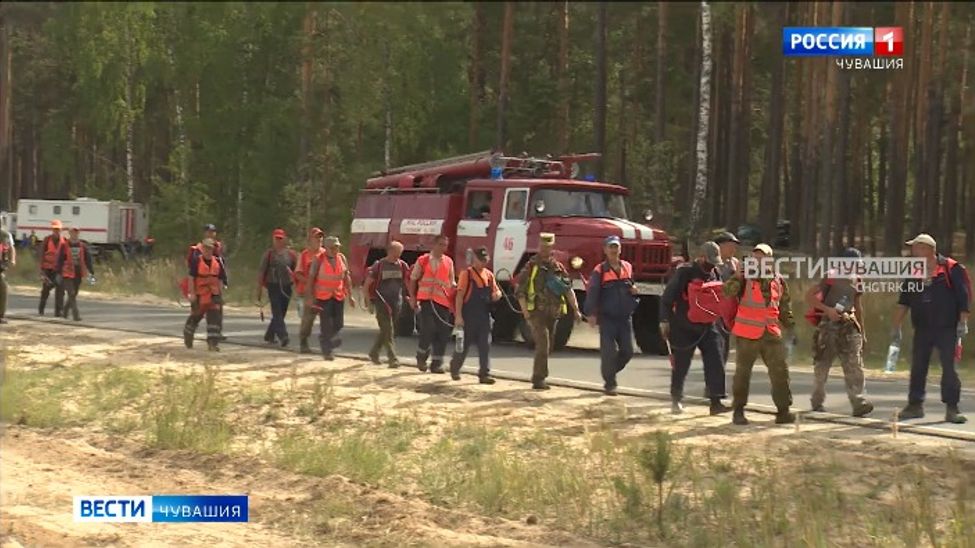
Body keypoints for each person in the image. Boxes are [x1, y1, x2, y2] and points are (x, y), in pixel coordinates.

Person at [891, 233, 971, 424]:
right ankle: (915, 405)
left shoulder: (951, 268)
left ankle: (952, 408)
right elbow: (904, 301)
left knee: (949, 369)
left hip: (947, 329)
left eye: (916, 248)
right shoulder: (913, 272)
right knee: (918, 367)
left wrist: (963, 322)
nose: (912, 252)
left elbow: (963, 297)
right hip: (923, 329)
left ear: (927, 249)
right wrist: (896, 326)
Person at [723, 243, 796, 425]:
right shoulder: (745, 278)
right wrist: (738, 275)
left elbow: (784, 307)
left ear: (770, 259)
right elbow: (726, 291)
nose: (758, 260)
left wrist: (791, 328)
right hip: (747, 334)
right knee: (742, 374)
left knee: (780, 372)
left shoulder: (778, 280)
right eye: (755, 256)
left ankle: (783, 411)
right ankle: (738, 411)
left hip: (771, 333)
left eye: (762, 256)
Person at [659, 242, 732, 415]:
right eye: (710, 260)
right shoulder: (684, 272)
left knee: (716, 360)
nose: (712, 264)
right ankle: (676, 399)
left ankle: (716, 402)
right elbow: (667, 298)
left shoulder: (715, 273)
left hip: (708, 325)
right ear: (701, 257)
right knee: (681, 365)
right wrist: (664, 320)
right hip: (683, 326)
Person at [805, 247, 873, 417]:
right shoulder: (830, 276)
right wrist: (827, 310)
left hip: (848, 325)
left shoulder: (858, 279)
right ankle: (817, 399)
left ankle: (858, 400)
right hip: (828, 326)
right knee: (822, 364)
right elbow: (809, 297)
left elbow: (858, 306)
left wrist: (862, 332)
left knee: (854, 364)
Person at [515, 233, 582, 390]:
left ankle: (540, 376)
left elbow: (567, 289)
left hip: (553, 313)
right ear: (539, 246)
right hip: (536, 312)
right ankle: (538, 379)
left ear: (552, 247)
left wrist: (576, 309)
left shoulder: (558, 267)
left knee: (549, 345)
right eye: (543, 246)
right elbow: (520, 291)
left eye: (548, 246)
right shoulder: (531, 266)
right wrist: (525, 312)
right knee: (543, 344)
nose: (545, 249)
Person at [584, 235, 637, 396]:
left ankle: (609, 372)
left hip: (625, 318)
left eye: (616, 247)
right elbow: (593, 293)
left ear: (620, 249)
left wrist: (634, 291)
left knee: (627, 351)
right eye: (611, 247)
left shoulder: (627, 266)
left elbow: (631, 285)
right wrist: (591, 313)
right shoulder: (599, 270)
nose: (614, 250)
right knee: (608, 352)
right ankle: (610, 383)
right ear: (605, 250)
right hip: (607, 318)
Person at [450, 246, 502, 384]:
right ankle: (455, 368)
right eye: (481, 260)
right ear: (475, 259)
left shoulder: (489, 275)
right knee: (464, 345)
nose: (483, 263)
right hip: (469, 315)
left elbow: (496, 291)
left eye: (485, 260)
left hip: (484, 315)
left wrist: (497, 295)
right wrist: (459, 316)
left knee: (485, 345)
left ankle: (484, 374)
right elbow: (460, 296)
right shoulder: (466, 274)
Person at [408, 234, 456, 374]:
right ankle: (421, 356)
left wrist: (457, 289)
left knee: (443, 333)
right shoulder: (423, 260)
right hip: (427, 300)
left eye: (445, 245)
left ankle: (437, 363)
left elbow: (451, 281)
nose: (443, 248)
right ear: (434, 245)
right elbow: (413, 279)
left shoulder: (449, 262)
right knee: (428, 330)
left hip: (443, 302)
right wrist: (412, 297)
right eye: (440, 244)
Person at [306, 236, 355, 360]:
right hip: (322, 297)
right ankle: (327, 351)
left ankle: (326, 340)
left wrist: (350, 295)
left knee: (339, 324)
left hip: (338, 295)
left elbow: (346, 277)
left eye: (337, 247)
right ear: (326, 248)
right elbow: (311, 279)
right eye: (333, 248)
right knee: (326, 324)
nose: (335, 250)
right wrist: (310, 297)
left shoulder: (342, 258)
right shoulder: (318, 260)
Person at [364, 240, 409, 368]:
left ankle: (374, 352)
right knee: (388, 331)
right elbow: (367, 285)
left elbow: (407, 283)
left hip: (397, 303)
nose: (398, 255)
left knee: (386, 330)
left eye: (400, 253)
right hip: (382, 302)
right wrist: (368, 301)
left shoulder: (402, 265)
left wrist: (412, 298)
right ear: (389, 251)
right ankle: (392, 359)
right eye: (396, 252)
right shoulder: (379, 266)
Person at [257, 228, 298, 347]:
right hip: (273, 286)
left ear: (284, 239)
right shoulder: (268, 254)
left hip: (286, 287)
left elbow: (298, 271)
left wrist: (298, 284)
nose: (278, 241)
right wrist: (259, 290)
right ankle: (283, 336)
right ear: (273, 239)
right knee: (277, 312)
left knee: (282, 312)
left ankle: (270, 334)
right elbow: (261, 272)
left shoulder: (291, 254)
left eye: (280, 238)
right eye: (276, 238)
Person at [184, 238, 227, 351]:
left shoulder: (217, 262)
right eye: (206, 248)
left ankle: (213, 344)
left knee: (214, 320)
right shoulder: (196, 261)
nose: (208, 250)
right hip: (200, 295)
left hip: (213, 295)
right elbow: (191, 278)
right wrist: (192, 293)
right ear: (202, 248)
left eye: (210, 248)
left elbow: (221, 279)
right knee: (195, 317)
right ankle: (188, 337)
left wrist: (220, 294)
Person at [712, 231, 741, 368]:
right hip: (713, 308)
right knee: (716, 341)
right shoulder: (711, 263)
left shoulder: (735, 264)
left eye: (734, 246)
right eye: (730, 246)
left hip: (729, 310)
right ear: (719, 246)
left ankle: (717, 374)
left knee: (725, 341)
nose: (733, 249)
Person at [295, 228, 326, 353]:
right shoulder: (304, 255)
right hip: (308, 293)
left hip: (323, 292)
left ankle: (326, 344)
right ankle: (303, 342)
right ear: (310, 240)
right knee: (308, 319)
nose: (319, 240)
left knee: (327, 319)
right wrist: (309, 282)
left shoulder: (325, 253)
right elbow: (297, 273)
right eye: (316, 237)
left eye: (320, 237)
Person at [57, 227, 95, 322]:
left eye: (76, 233)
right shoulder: (64, 246)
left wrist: (91, 272)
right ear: (70, 234)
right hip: (67, 272)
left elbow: (88, 259)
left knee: (74, 294)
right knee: (71, 293)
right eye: (73, 233)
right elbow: (60, 260)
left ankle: (64, 312)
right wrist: (58, 273)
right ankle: (76, 316)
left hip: (78, 273)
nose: (74, 234)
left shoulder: (82, 246)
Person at [38, 220, 66, 317]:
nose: (56, 231)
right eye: (54, 229)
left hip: (59, 270)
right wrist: (41, 271)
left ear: (61, 230)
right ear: (52, 229)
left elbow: (66, 257)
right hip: (47, 270)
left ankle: (59, 312)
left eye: (58, 229)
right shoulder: (47, 240)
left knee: (60, 290)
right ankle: (41, 309)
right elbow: (41, 255)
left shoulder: (65, 242)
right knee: (45, 290)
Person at [0, 222, 14, 324]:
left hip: (1, 266)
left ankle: (1, 315)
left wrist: (12, 259)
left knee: (3, 287)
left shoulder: (5, 235)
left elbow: (11, 248)